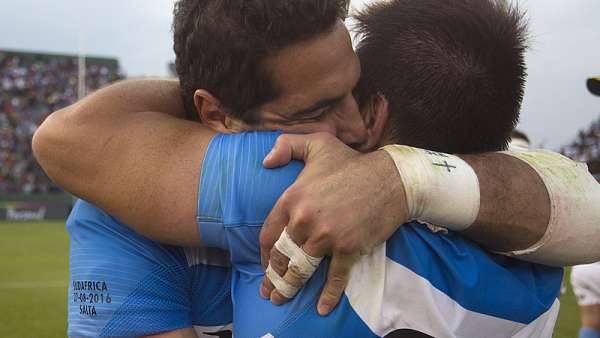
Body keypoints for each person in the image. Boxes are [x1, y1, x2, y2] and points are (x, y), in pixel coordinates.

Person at [33, 0, 600, 335]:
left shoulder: (309, 184)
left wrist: (399, 178)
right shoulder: (525, 233)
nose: (352, 128)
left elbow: (70, 138)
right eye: (316, 109)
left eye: (354, 90)